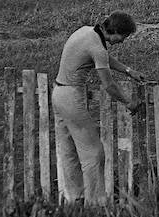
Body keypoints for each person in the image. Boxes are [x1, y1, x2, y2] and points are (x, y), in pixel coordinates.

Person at [53, 11, 145, 206]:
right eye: (124, 36)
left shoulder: (87, 32)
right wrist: (129, 102)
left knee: (69, 151)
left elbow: (104, 59)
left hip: (58, 93)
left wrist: (129, 71)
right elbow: (109, 85)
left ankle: (75, 199)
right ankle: (96, 204)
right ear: (116, 32)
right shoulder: (97, 47)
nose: (123, 41)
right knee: (94, 153)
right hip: (71, 97)